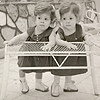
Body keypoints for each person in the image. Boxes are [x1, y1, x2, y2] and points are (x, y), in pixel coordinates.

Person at [4, 2, 56, 94]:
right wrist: (11, 41)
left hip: (40, 53)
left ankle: (38, 83)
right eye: (39, 18)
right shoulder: (33, 30)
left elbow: (52, 41)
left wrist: (49, 45)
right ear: (35, 19)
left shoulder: (50, 31)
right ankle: (22, 81)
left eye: (46, 19)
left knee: (40, 67)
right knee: (23, 67)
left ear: (51, 21)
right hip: (27, 53)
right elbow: (21, 37)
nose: (42, 21)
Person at [50, 2, 88, 97]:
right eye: (64, 19)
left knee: (70, 67)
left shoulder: (79, 28)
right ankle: (56, 84)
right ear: (61, 19)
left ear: (77, 18)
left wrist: (87, 40)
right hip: (61, 55)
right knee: (59, 69)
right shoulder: (61, 29)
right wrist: (66, 43)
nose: (67, 21)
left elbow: (84, 35)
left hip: (73, 54)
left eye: (71, 18)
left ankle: (68, 83)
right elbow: (57, 40)